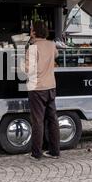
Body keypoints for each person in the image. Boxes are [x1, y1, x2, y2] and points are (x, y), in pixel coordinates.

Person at [24, 20, 60, 160]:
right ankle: (54, 151)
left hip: (37, 88)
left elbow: (27, 69)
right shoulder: (52, 45)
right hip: (51, 86)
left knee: (38, 121)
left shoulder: (33, 48)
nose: (30, 31)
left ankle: (36, 153)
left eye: (31, 29)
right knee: (52, 119)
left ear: (34, 32)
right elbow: (56, 55)